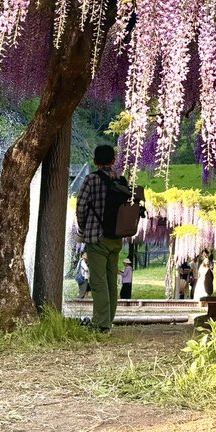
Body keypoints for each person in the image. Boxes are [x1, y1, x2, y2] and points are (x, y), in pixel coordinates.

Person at [74, 143, 143, 333]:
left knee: (97, 281)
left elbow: (80, 207)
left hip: (96, 237)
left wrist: (83, 228)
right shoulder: (121, 180)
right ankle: (108, 321)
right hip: (116, 237)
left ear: (95, 161)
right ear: (113, 161)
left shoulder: (91, 180)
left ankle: (100, 324)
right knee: (112, 280)